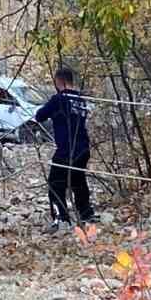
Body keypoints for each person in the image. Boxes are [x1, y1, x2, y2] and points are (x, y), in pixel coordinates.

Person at [33, 65, 95, 233]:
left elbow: (39, 116)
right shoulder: (81, 100)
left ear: (58, 81)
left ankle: (62, 218)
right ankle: (86, 214)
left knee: (55, 184)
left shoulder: (58, 99)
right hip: (83, 149)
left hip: (67, 150)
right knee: (78, 181)